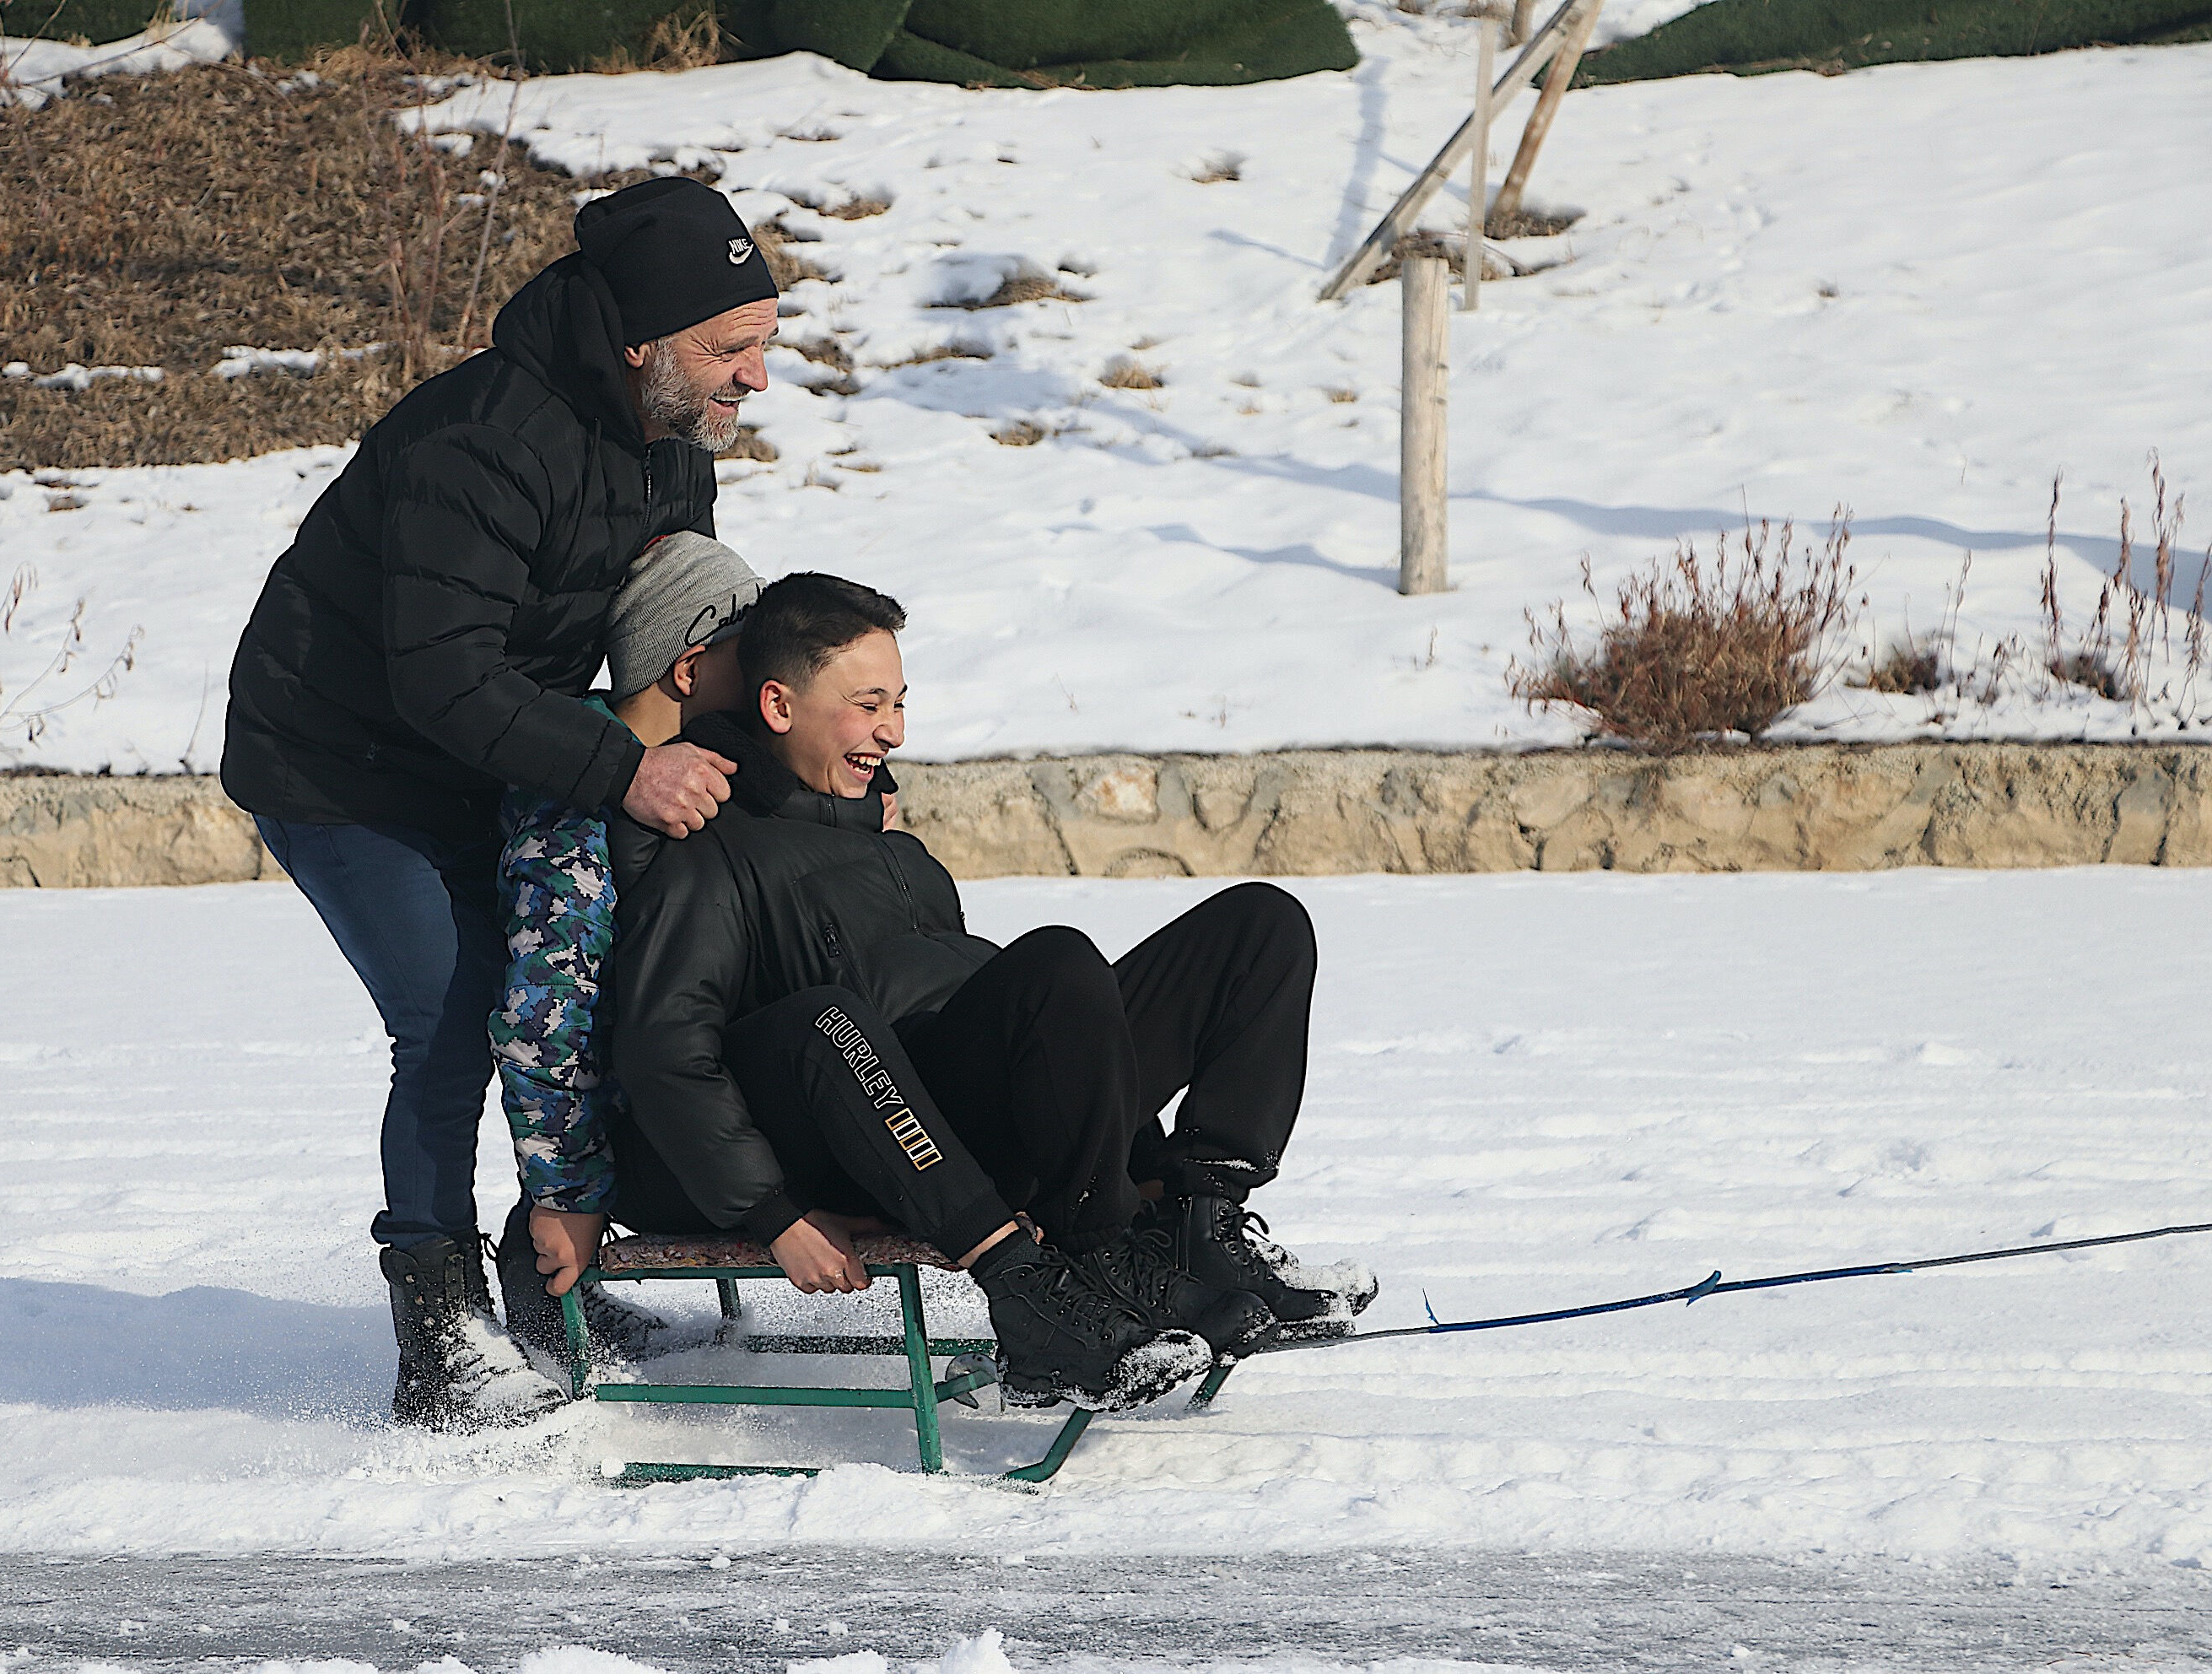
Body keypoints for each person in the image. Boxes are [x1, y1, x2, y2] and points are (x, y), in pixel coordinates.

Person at [218, 175, 778, 1433]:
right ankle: (439, 1335)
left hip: (504, 752)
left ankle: (548, 1291)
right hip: (342, 764)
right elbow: (443, 676)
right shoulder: (483, 443)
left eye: (763, 344)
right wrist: (623, 771)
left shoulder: (671, 439)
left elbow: (674, 637)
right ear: (639, 341)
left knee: (604, 974)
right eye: (728, 348)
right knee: (452, 1015)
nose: (754, 377)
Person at [607, 574, 1371, 1412]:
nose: (894, 731)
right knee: (1055, 964)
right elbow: (665, 1049)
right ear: (780, 705)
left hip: (988, 1109)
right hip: (883, 1140)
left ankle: (1199, 1224)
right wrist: (772, 1209)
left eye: (900, 703)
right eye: (868, 705)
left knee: (1258, 925)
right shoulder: (709, 849)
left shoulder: (892, 845)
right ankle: (1093, 1259)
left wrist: (1143, 1157)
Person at [485, 532, 763, 1363]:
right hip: (636, 1133)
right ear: (690, 669)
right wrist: (566, 1196)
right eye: (752, 655)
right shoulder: (576, 819)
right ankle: (539, 1278)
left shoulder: (707, 770)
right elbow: (545, 1023)